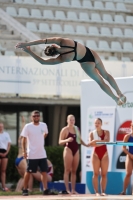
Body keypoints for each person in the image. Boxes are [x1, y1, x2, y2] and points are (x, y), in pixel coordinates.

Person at [15, 37, 126, 106]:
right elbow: (43, 41)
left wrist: (29, 52)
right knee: (105, 74)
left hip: (86, 63)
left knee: (100, 82)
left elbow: (43, 62)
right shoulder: (63, 41)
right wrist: (27, 43)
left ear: (55, 54)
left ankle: (115, 99)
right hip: (91, 53)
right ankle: (120, 93)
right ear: (53, 45)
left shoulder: (63, 58)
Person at [21, 110, 50, 196]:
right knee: (28, 172)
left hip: (42, 153)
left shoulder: (43, 125)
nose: (36, 117)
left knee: (44, 171)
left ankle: (45, 189)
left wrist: (41, 138)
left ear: (39, 117)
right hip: (32, 154)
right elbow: (23, 139)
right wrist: (24, 151)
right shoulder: (28, 126)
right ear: (31, 117)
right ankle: (25, 189)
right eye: (34, 116)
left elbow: (46, 133)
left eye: (37, 116)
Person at [58, 114, 88, 194]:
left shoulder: (76, 129)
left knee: (74, 171)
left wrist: (86, 145)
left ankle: (73, 190)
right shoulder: (65, 129)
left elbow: (79, 140)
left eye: (73, 120)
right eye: (70, 120)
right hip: (68, 149)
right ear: (67, 121)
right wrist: (66, 140)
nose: (72, 121)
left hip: (76, 150)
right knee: (67, 170)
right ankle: (67, 189)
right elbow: (60, 142)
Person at [89, 118, 110, 196]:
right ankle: (97, 192)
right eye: (95, 123)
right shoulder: (92, 133)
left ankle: (103, 191)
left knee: (104, 174)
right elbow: (91, 144)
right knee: (96, 173)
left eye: (98, 123)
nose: (97, 124)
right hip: (95, 154)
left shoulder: (106, 132)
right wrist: (102, 141)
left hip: (105, 154)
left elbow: (107, 141)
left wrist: (96, 142)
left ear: (101, 124)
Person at [15, 116, 33, 192]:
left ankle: (17, 190)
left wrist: (23, 122)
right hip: (22, 159)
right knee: (29, 174)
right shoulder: (26, 138)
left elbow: (22, 130)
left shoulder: (21, 137)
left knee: (23, 176)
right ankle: (30, 189)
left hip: (17, 159)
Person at [120, 122, 133, 195]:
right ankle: (124, 191)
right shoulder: (127, 136)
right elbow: (123, 148)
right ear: (131, 126)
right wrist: (130, 155)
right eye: (132, 126)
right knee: (128, 173)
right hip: (130, 156)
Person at [0, 122, 11, 191]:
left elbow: (9, 144)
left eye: (1, 126)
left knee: (3, 170)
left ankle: (4, 186)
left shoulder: (6, 134)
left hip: (4, 152)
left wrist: (6, 152)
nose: (0, 128)